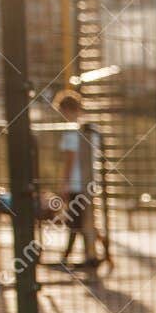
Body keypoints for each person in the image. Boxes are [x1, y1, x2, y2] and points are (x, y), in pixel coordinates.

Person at [56, 91, 106, 270]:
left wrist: (64, 183)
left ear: (67, 110)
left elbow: (70, 160)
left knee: (75, 222)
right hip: (91, 180)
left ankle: (69, 258)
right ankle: (98, 256)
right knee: (86, 221)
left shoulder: (71, 131)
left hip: (77, 183)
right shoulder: (90, 129)